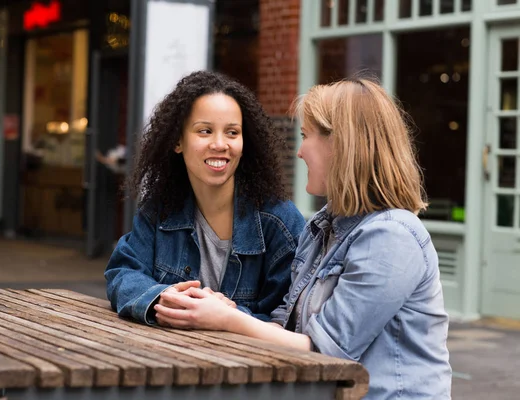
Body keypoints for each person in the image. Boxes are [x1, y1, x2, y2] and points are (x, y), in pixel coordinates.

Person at [154, 78, 452, 399]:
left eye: (305, 136)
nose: (298, 152)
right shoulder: (322, 227)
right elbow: (285, 327)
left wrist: (226, 319)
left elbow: (327, 353)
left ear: (340, 144)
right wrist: (223, 309)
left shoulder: (391, 237)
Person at [105, 71, 305, 325]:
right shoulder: (160, 211)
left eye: (232, 133)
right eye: (205, 131)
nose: (220, 144)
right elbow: (122, 271)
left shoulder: (280, 222)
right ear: (178, 141)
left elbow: (290, 316)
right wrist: (162, 296)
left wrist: (225, 316)